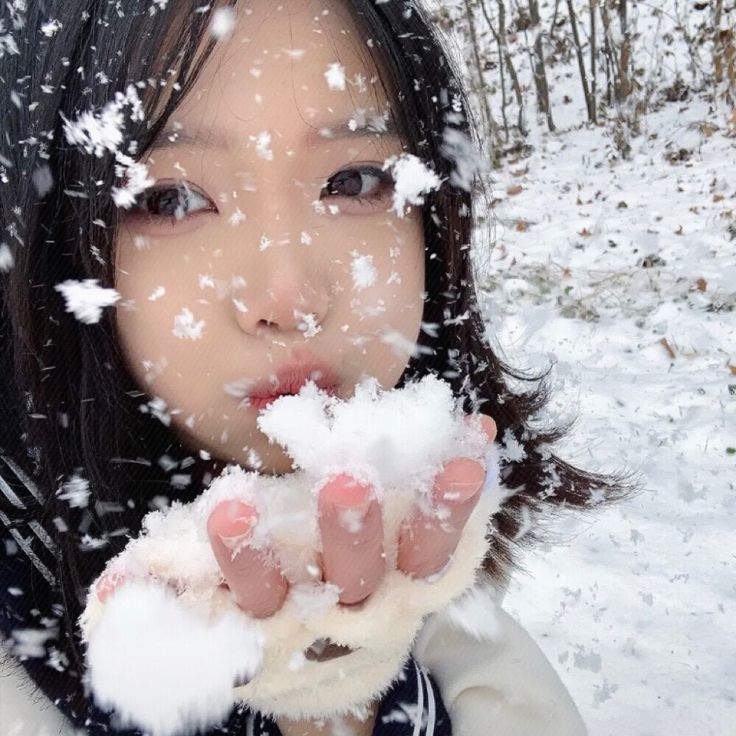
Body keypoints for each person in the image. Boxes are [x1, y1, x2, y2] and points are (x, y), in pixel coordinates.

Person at [0, 1, 636, 734]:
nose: (291, 296)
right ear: (49, 244)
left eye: (355, 182)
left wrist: (344, 682)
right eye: (170, 198)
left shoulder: (453, 616)